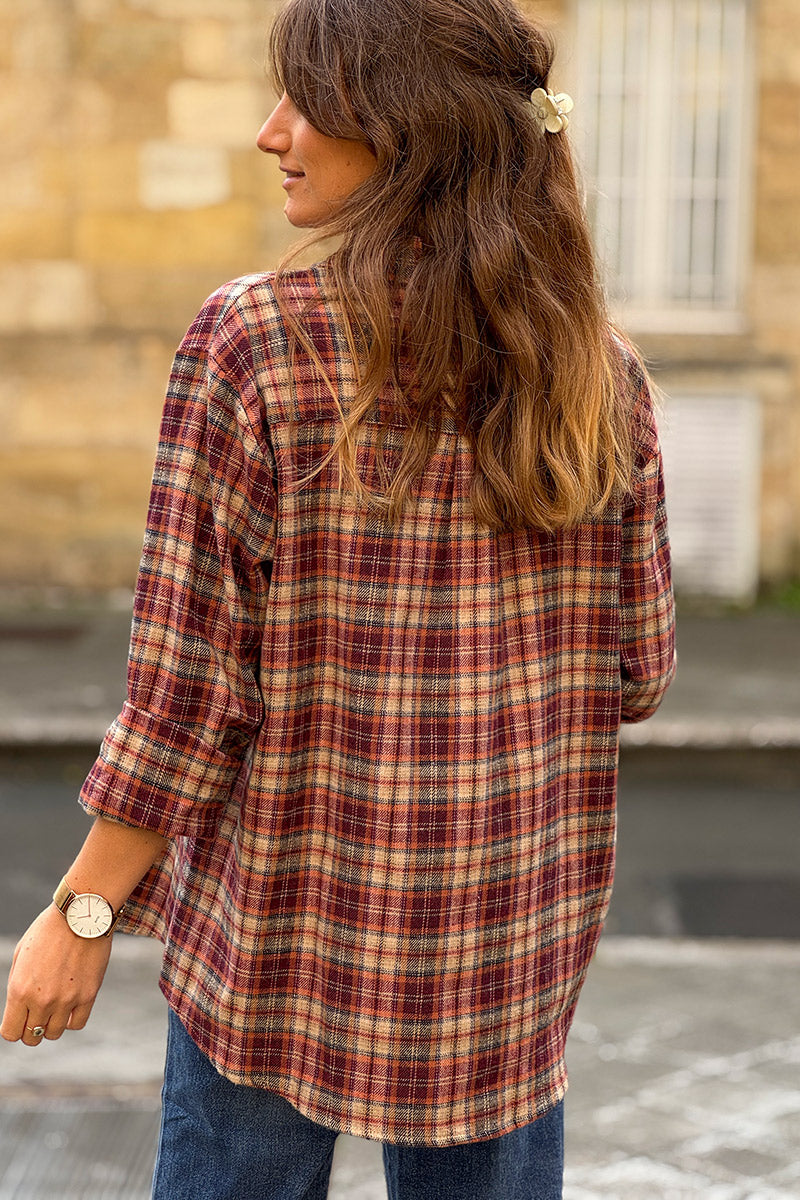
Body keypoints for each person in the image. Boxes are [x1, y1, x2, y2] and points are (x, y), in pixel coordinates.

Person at [1, 0, 675, 1195]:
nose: (271, 131)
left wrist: (81, 915)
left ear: (406, 130)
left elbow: (186, 699)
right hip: (501, 957)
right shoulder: (599, 369)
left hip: (278, 940)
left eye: (306, 100)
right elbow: (638, 668)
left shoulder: (254, 342)